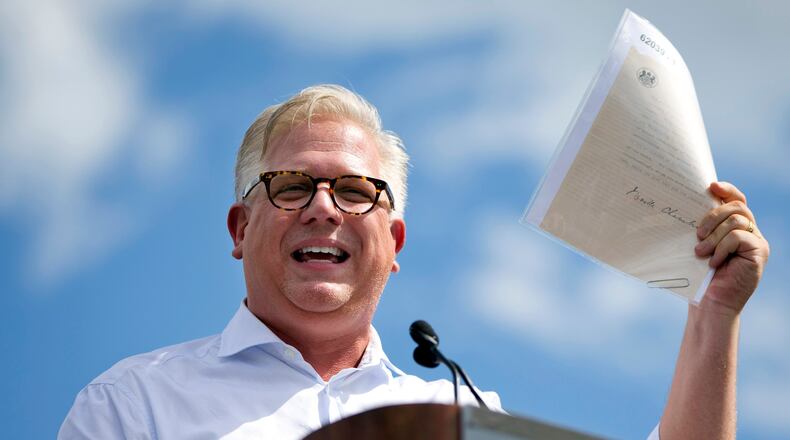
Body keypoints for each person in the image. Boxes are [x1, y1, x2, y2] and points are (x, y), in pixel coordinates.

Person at [59, 85, 770, 439]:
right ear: (241, 228)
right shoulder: (132, 405)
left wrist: (714, 313)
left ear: (393, 244)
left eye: (355, 191)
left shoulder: (460, 419)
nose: (324, 208)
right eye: (293, 185)